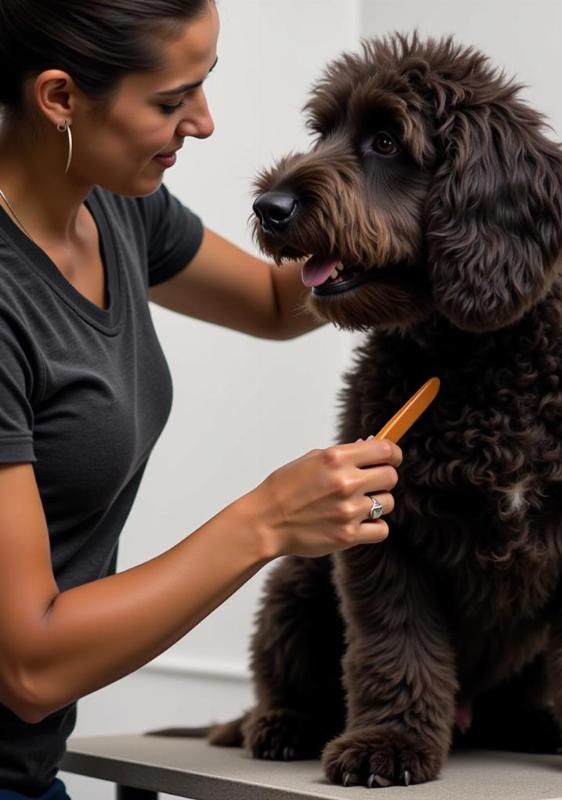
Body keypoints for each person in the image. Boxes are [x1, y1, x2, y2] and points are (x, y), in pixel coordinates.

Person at [0, 1, 403, 797]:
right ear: (59, 98)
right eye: (169, 100)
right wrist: (266, 521)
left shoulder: (113, 201)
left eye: (205, 84)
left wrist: (434, 222)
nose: (205, 122)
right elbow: (30, 667)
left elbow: (271, 297)